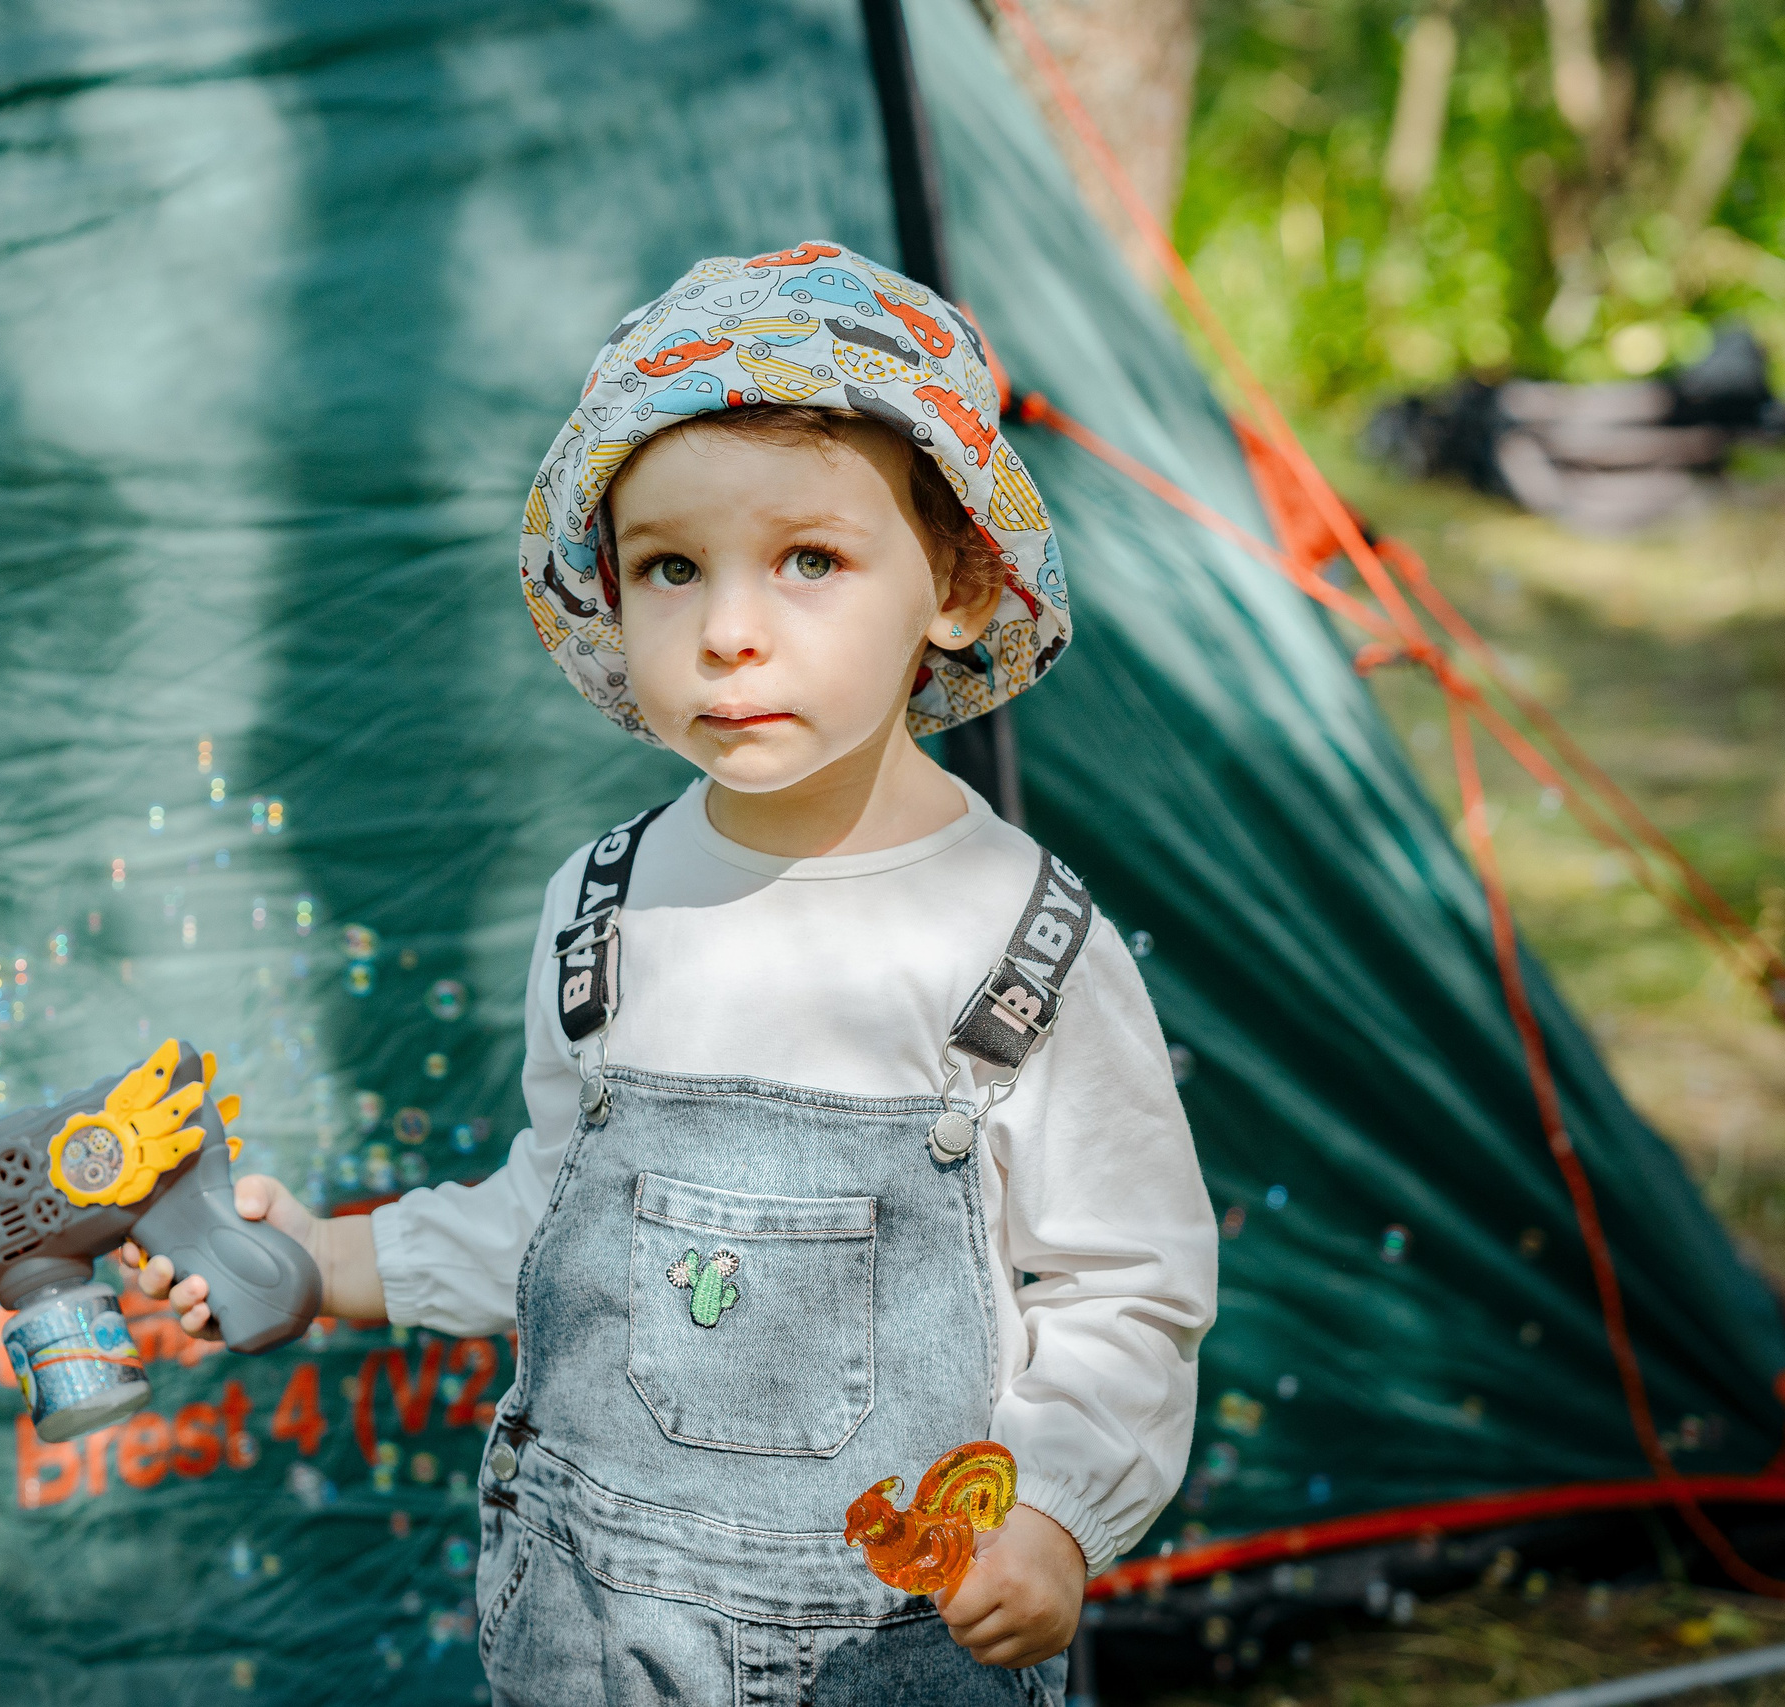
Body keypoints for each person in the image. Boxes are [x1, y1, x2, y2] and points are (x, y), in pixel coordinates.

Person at [131, 243, 1218, 1705]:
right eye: (670, 567)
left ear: (956, 581)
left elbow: (1127, 1286)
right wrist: (331, 1262)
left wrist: (1053, 1509)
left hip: (897, 1644)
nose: (726, 629)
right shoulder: (603, 908)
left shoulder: (1018, 939)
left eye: (811, 560)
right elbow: (564, 1207)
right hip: (597, 1624)